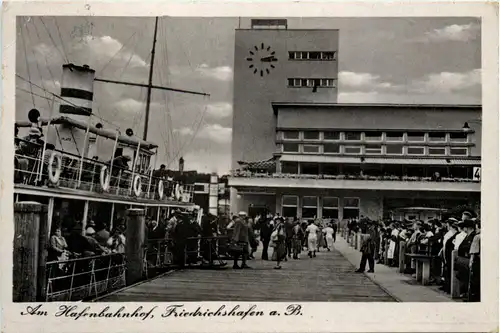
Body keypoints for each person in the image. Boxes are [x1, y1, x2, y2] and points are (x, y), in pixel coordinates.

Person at [468, 220, 480, 302]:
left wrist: (471, 262)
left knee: (475, 281)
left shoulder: (477, 237)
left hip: (478, 261)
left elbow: (473, 252)